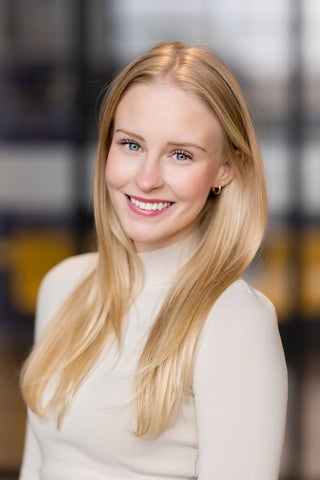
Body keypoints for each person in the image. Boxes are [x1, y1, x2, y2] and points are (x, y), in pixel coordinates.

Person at [19, 41, 287, 480]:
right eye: (131, 145)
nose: (146, 179)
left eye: (180, 154)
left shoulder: (234, 319)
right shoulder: (63, 285)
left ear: (226, 168)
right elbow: (39, 467)